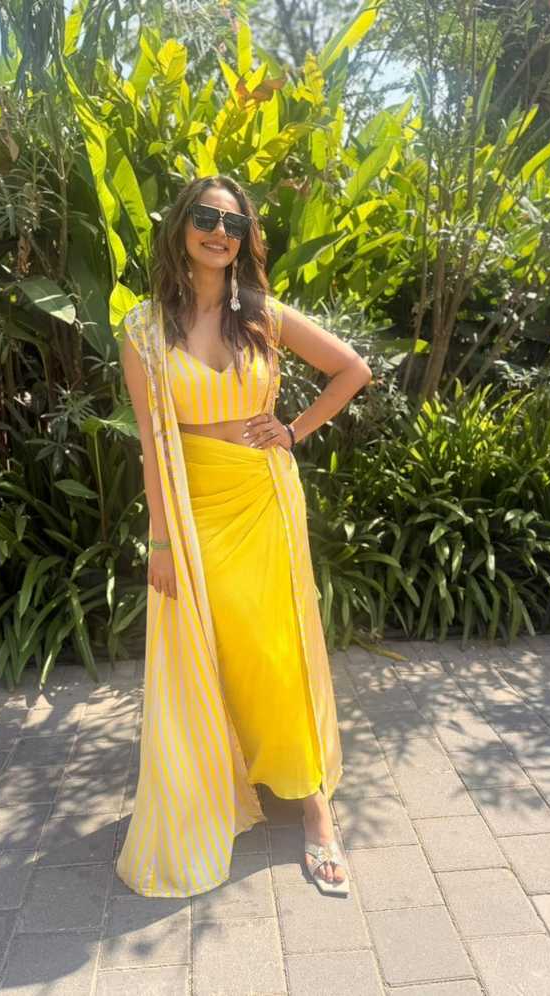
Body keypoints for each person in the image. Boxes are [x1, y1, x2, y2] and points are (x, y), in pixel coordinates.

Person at [116, 174, 372, 899]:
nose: (218, 233)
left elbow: (352, 370)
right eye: (206, 217)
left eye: (233, 223)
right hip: (193, 505)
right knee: (212, 652)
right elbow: (150, 445)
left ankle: (314, 810)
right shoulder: (144, 329)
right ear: (181, 226)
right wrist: (161, 543)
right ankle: (225, 778)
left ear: (245, 237)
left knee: (273, 650)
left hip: (262, 497)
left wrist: (293, 430)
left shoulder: (261, 314)